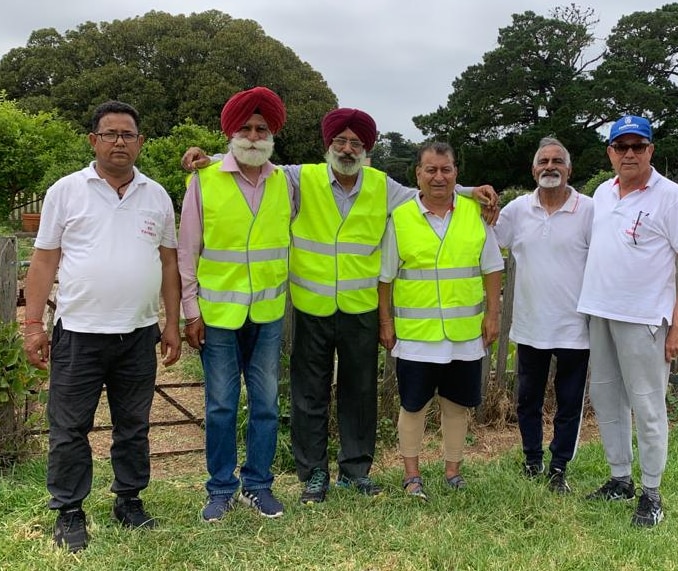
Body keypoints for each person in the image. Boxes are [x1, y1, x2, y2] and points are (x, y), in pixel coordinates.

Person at [181, 108, 497, 505]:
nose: (348, 149)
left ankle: (355, 471)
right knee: (309, 393)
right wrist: (208, 159)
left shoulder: (382, 185)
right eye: (340, 142)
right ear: (328, 145)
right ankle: (313, 472)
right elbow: (253, 161)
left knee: (360, 392)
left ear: (367, 150)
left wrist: (472, 192)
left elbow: (430, 191)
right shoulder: (301, 177)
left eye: (357, 143)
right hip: (312, 307)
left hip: (360, 307)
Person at [22, 100, 181, 552]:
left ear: (140, 143)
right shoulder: (65, 191)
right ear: (93, 141)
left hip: (138, 332)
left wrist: (172, 323)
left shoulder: (157, 195)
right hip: (78, 333)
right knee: (69, 427)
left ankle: (129, 500)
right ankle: (69, 509)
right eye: (109, 134)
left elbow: (168, 263)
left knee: (134, 424)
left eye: (127, 135)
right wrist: (33, 324)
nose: (118, 142)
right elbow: (45, 258)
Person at [577, 115, 678, 527]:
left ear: (651, 150)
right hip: (601, 312)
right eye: (621, 147)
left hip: (646, 319)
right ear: (610, 152)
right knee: (607, 401)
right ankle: (619, 479)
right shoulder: (603, 192)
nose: (629, 153)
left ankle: (651, 493)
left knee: (648, 407)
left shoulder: (670, 197)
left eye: (638, 146)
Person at [177, 86, 290, 522]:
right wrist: (191, 311)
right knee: (221, 405)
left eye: (262, 127)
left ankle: (258, 485)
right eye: (246, 126)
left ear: (272, 133)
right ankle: (221, 488)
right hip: (219, 314)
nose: (255, 134)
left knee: (265, 404)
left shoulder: (285, 181)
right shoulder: (203, 181)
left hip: (267, 313)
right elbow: (188, 251)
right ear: (231, 132)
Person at [378, 142, 503, 500]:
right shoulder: (400, 218)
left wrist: (493, 315)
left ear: (455, 174)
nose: (438, 177)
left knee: (456, 405)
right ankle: (412, 474)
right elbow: (385, 278)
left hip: (464, 334)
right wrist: (385, 322)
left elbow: (492, 268)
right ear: (417, 174)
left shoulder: (474, 213)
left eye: (445, 169)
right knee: (413, 405)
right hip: (417, 335)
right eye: (430, 169)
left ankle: (453, 471)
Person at [493, 137, 593, 494]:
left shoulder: (589, 210)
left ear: (569, 169)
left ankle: (559, 467)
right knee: (528, 400)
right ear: (533, 169)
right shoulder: (517, 210)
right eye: (543, 161)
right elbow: (490, 240)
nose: (549, 167)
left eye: (557, 161)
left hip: (575, 328)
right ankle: (531, 461)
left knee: (568, 403)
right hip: (530, 325)